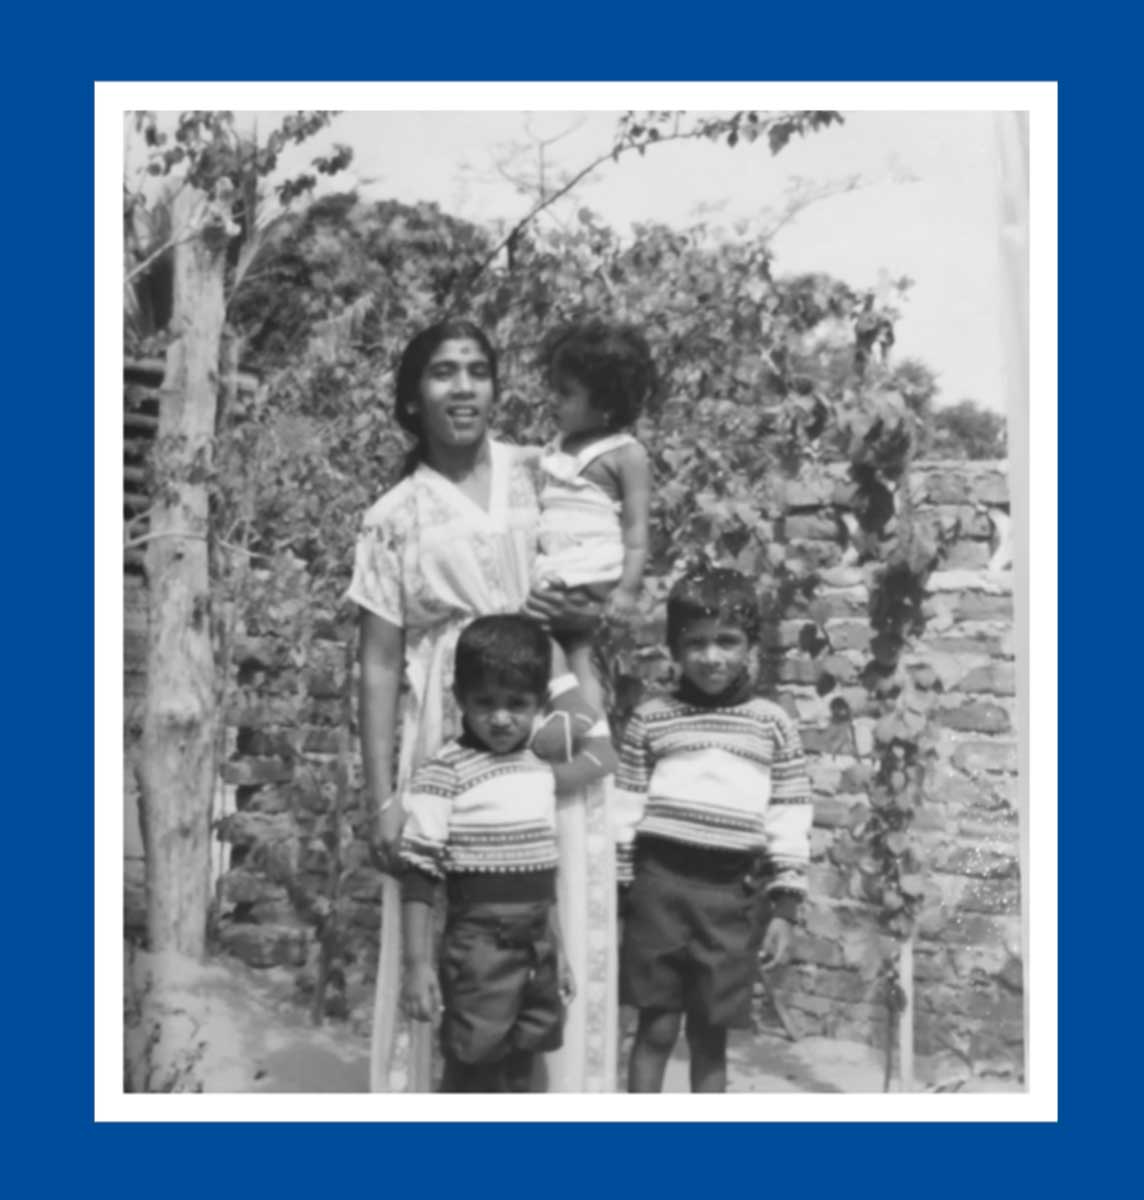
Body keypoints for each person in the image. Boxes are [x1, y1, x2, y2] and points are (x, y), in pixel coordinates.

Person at [348, 319, 619, 1093]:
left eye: (477, 370)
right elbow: (378, 662)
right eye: (443, 372)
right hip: (452, 720)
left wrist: (581, 607)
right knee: (451, 914)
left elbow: (601, 575)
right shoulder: (393, 514)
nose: (463, 387)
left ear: (497, 387)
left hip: (550, 700)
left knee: (558, 893)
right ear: (413, 397)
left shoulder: (543, 473)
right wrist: (382, 800)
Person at [612, 568, 813, 1093]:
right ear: (674, 647)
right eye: (695, 643)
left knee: (709, 1036)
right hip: (658, 891)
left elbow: (789, 815)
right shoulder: (652, 719)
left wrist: (785, 907)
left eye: (727, 641)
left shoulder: (771, 723)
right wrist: (621, 893)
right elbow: (625, 808)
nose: (711, 656)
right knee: (656, 1028)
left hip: (730, 897)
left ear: (751, 646)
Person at [398, 615, 617, 1092]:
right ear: (460, 698)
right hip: (479, 944)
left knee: (522, 1065)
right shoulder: (444, 773)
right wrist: (416, 964)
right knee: (472, 1065)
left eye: (517, 704)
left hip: (538, 940)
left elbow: (543, 873)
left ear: (539, 703)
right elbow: (418, 872)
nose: (500, 718)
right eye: (485, 703)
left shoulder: (538, 769)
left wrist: (559, 952)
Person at [524, 321, 655, 707]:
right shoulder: (556, 448)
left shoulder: (625, 454)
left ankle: (590, 721)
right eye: (553, 389)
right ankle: (568, 714)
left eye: (566, 393)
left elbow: (636, 530)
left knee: (576, 646)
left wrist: (627, 589)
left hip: (592, 566)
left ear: (605, 402)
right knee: (550, 643)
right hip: (558, 564)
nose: (553, 401)